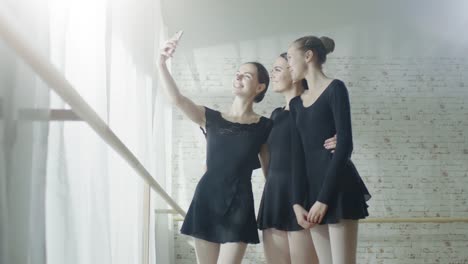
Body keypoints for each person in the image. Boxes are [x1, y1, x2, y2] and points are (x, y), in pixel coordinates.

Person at [158, 32, 273, 264]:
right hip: (207, 200)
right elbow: (177, 99)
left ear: (260, 87)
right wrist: (161, 62)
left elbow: (271, 174)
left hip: (240, 204)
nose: (239, 77)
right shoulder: (211, 117)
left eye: (247, 75)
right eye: (237, 73)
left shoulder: (265, 126)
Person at [287, 36, 371, 264]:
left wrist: (324, 200)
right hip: (311, 193)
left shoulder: (336, 89)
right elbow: (296, 156)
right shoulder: (295, 104)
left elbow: (345, 145)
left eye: (290, 59)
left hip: (338, 188)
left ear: (308, 56)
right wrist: (296, 203)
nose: (288, 66)